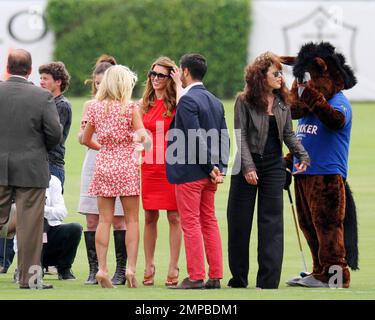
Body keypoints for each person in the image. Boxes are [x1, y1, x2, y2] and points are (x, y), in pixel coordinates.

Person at [226, 52, 310, 289]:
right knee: (239, 222)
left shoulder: (283, 102)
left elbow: (288, 134)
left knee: (271, 224)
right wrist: (248, 167)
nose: (280, 78)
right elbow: (239, 137)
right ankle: (239, 279)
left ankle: (268, 281)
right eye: (275, 73)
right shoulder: (244, 101)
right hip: (245, 164)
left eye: (280, 73)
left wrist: (302, 154)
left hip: (274, 166)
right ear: (261, 76)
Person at [82, 65, 150, 288]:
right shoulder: (130, 108)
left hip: (104, 164)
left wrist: (102, 147)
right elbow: (142, 136)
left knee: (104, 220)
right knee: (131, 220)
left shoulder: (95, 107)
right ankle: (130, 268)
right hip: (127, 166)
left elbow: (85, 139)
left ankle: (102, 269)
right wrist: (140, 142)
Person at [166, 53, 230, 289]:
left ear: (185, 72)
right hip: (211, 174)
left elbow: (194, 138)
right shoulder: (215, 100)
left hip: (191, 173)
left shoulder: (188, 101)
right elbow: (224, 138)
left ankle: (195, 276)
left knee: (190, 223)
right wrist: (219, 168)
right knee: (209, 221)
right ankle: (215, 276)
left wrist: (209, 167)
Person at [0, 49, 62, 289]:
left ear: (8, 67)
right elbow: (55, 134)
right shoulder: (42, 96)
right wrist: (36, 149)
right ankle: (31, 279)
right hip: (31, 168)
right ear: (29, 69)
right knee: (30, 227)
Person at [78, 55, 127, 286]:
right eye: (95, 83)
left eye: (102, 82)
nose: (98, 87)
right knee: (91, 219)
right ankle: (94, 269)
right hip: (94, 162)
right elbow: (82, 137)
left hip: (118, 164)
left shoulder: (126, 105)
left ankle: (120, 270)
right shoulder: (90, 106)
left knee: (118, 220)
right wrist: (85, 134)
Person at [140, 57, 182, 286]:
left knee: (174, 216)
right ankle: (148, 264)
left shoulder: (178, 103)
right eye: (153, 74)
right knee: (149, 216)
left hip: (171, 166)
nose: (155, 79)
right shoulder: (143, 103)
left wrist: (178, 84)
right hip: (148, 165)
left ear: (170, 78)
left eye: (161, 75)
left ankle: (173, 266)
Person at [5, 175, 82, 281]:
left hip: (51, 233)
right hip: (29, 240)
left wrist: (40, 209)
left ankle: (64, 269)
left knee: (75, 228)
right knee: (32, 224)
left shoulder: (53, 181)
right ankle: (26, 267)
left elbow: (62, 212)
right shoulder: (21, 183)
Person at [39, 62, 72, 189]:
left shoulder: (62, 105)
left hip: (52, 164)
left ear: (58, 82)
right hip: (42, 162)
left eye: (45, 78)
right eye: (41, 78)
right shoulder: (46, 102)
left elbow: (54, 136)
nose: (41, 81)